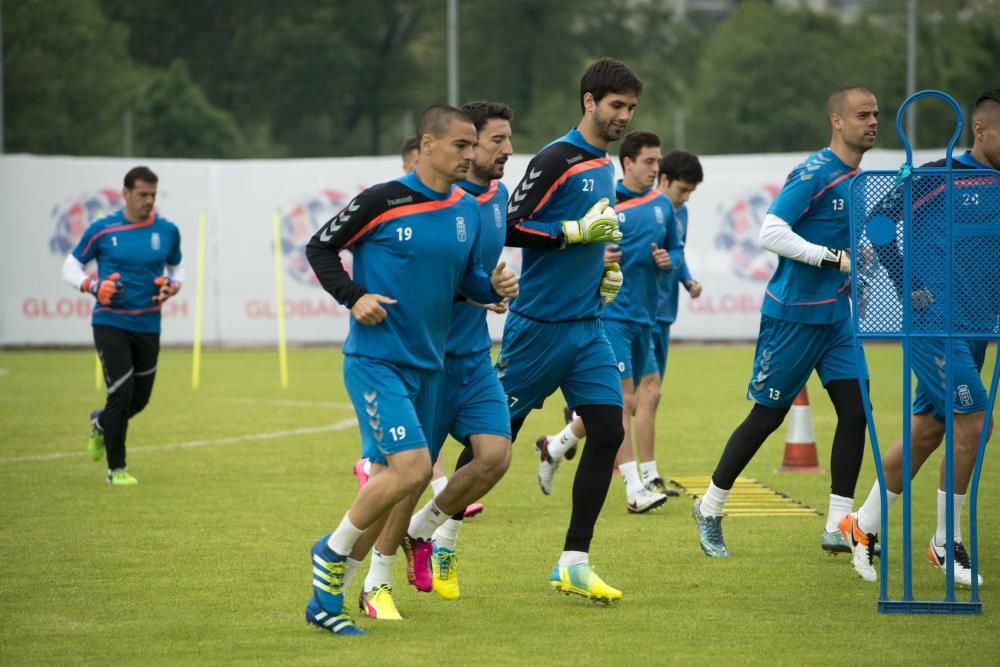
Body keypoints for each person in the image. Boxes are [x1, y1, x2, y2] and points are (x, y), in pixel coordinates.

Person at [303, 104, 518, 636]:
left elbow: (465, 282)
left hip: (428, 365)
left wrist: (493, 290)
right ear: (427, 145)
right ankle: (329, 555)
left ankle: (331, 597)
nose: (472, 155)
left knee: (395, 480)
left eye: (475, 147)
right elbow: (320, 247)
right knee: (412, 471)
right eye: (462, 146)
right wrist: (353, 297)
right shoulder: (383, 200)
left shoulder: (465, 211)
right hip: (377, 362)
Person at [692, 87, 879, 558]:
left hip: (838, 318)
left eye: (877, 114)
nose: (873, 122)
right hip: (792, 317)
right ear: (836, 121)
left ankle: (839, 524)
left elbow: (857, 248)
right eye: (863, 115)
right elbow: (770, 231)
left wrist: (870, 263)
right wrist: (832, 258)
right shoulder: (815, 172)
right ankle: (710, 507)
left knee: (857, 412)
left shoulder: (860, 179)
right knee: (767, 417)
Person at [840, 88, 1000, 585]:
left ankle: (860, 526)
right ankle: (944, 542)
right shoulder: (936, 176)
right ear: (979, 129)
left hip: (977, 329)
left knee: (929, 433)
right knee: (973, 422)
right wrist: (911, 284)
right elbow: (878, 221)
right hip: (933, 328)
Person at [499, 57, 641, 603]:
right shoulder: (558, 156)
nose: (623, 116)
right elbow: (513, 224)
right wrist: (573, 233)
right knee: (492, 444)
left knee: (607, 430)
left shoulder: (604, 164)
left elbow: (589, 238)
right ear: (589, 101)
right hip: (537, 328)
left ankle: (574, 562)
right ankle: (439, 533)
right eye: (615, 105)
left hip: (587, 327)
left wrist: (603, 266)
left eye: (630, 107)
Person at [535, 130, 682, 514]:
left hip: (644, 319)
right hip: (610, 314)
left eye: (658, 161)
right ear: (627, 163)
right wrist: (593, 258)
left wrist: (672, 261)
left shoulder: (662, 205)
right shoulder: (603, 203)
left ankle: (556, 445)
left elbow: (676, 248)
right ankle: (636, 488)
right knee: (624, 401)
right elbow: (568, 244)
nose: (655, 168)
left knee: (650, 393)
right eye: (649, 162)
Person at [62, 166, 183, 486]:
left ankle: (101, 424)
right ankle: (117, 470)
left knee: (139, 399)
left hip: (149, 324)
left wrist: (172, 286)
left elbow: (177, 268)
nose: (149, 200)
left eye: (153, 195)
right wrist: (92, 286)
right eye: (143, 194)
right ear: (126, 193)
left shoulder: (168, 231)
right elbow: (70, 266)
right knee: (121, 392)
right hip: (110, 321)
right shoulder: (103, 229)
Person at [636, 150, 704, 495]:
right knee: (650, 393)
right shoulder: (643, 210)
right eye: (682, 190)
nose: (686, 197)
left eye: (691, 192)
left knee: (636, 397)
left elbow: (676, 253)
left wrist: (687, 279)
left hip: (664, 315)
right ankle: (647, 477)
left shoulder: (682, 213)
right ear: (663, 180)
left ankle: (563, 435)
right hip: (635, 315)